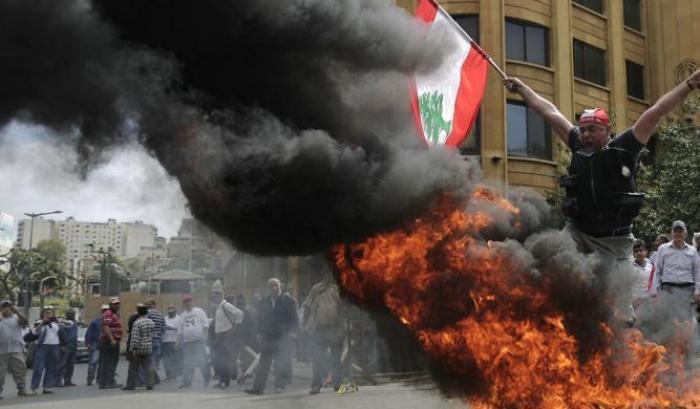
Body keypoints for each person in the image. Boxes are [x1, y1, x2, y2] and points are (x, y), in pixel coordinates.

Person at [504, 68, 700, 265]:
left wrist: (689, 84)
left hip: (615, 241)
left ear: (607, 131)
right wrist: (523, 89)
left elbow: (656, 111)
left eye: (592, 129)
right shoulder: (577, 143)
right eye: (582, 130)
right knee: (547, 260)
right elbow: (549, 112)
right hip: (577, 234)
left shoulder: (625, 147)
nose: (585, 135)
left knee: (617, 293)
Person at [245, 278, 298, 395]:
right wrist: (259, 333)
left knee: (280, 362)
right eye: (271, 286)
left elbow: (295, 319)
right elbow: (260, 320)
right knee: (264, 363)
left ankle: (279, 385)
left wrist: (292, 334)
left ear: (280, 287)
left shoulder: (289, 301)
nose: (274, 288)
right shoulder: (264, 302)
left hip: (283, 336)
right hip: (267, 337)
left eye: (276, 286)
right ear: (268, 288)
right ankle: (258, 389)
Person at [303, 273, 345, 395]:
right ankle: (316, 385)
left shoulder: (339, 288)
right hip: (319, 329)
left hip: (335, 328)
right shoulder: (317, 288)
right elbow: (307, 305)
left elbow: (345, 307)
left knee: (336, 359)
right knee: (318, 359)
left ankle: (338, 383)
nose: (328, 276)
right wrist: (305, 324)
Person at [650, 220, 700, 321]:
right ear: (671, 233)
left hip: (687, 289)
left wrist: (698, 291)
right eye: (675, 231)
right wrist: (657, 292)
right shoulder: (662, 249)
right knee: (668, 320)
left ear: (685, 233)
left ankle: (686, 337)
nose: (678, 233)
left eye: (680, 231)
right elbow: (657, 271)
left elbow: (697, 272)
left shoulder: (692, 251)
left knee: (686, 319)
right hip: (668, 288)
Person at [209, 280, 244, 388]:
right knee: (218, 360)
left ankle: (225, 381)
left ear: (219, 295)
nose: (213, 297)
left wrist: (232, 330)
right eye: (213, 295)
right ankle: (222, 380)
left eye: (215, 295)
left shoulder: (226, 305)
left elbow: (240, 314)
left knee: (223, 360)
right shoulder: (218, 307)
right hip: (219, 337)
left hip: (225, 336)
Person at [0, 300, 34, 397]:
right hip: (2, 349)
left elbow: (25, 322)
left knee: (20, 369)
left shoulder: (16, 318)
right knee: (1, 372)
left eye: (9, 306)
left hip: (16, 348)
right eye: (4, 307)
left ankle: (22, 389)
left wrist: (17, 312)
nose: (7, 309)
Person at [178, 294, 209, 389]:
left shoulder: (199, 311)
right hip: (187, 343)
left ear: (192, 301)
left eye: (189, 301)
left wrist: (205, 336)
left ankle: (206, 379)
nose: (187, 303)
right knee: (187, 363)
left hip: (199, 341)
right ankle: (187, 381)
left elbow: (206, 324)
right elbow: (180, 331)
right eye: (185, 302)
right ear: (183, 304)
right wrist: (178, 341)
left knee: (202, 361)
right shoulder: (182, 315)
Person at [122, 303, 155, 391]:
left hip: (138, 348)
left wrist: (132, 349)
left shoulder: (137, 323)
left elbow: (135, 337)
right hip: (148, 347)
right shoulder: (151, 322)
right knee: (148, 367)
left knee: (133, 368)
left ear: (138, 312)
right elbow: (152, 335)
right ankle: (150, 384)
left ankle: (130, 385)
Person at [30, 307, 60, 394]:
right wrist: (43, 322)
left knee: (51, 368)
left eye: (50, 313)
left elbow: (67, 326)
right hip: (42, 346)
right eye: (46, 313)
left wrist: (58, 321)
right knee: (38, 367)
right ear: (43, 314)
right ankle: (34, 388)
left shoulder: (56, 323)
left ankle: (47, 387)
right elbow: (35, 332)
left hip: (54, 346)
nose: (48, 314)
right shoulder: (39, 322)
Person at [98, 297, 123, 389]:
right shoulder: (108, 313)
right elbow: (106, 326)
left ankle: (105, 382)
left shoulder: (114, 314)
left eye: (118, 303)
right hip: (109, 342)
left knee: (108, 362)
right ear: (110, 305)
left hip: (111, 341)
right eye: (115, 304)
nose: (117, 305)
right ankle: (108, 382)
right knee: (109, 362)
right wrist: (112, 339)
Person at [85, 304, 108, 386]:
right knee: (94, 362)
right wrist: (87, 343)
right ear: (102, 312)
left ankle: (99, 378)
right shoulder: (95, 322)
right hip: (95, 344)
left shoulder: (110, 321)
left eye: (107, 310)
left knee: (102, 363)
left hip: (105, 344)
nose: (106, 312)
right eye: (104, 310)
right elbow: (89, 333)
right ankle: (90, 379)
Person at [56, 310, 79, 387]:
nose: (72, 314)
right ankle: (58, 381)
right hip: (65, 346)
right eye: (70, 313)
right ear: (67, 314)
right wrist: (62, 343)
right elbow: (60, 332)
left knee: (71, 365)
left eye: (73, 313)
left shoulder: (75, 323)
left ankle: (68, 381)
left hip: (73, 346)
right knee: (62, 364)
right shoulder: (63, 323)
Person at [631, 239, 653, 317]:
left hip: (648, 301)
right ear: (633, 254)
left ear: (646, 251)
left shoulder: (651, 265)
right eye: (636, 251)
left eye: (641, 250)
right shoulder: (629, 266)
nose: (639, 253)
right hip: (634, 302)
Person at [145, 299, 165, 384]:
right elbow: (164, 328)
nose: (146, 306)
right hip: (157, 341)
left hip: (148, 341)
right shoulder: (161, 315)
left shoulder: (147, 314)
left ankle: (152, 380)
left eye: (147, 304)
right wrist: (158, 335)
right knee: (153, 361)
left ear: (150, 305)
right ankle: (155, 379)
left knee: (148, 361)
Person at [162, 305, 182, 381]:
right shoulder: (164, 318)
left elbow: (181, 330)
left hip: (174, 341)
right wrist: (164, 328)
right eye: (169, 312)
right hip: (165, 341)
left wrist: (172, 328)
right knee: (166, 359)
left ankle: (174, 375)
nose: (170, 313)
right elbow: (162, 327)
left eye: (172, 312)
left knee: (174, 359)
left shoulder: (179, 318)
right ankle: (168, 375)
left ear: (175, 312)